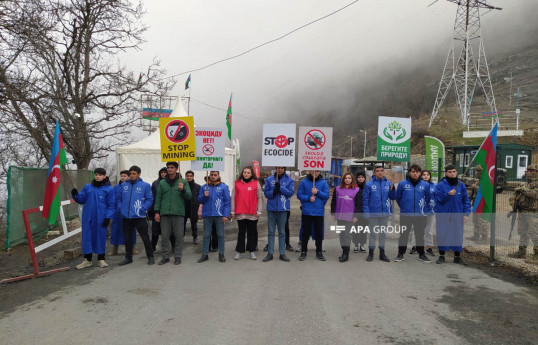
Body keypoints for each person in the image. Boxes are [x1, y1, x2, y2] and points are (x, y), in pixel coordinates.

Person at [72, 168, 115, 269]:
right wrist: (75, 194)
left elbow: (111, 205)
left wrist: (108, 217)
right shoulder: (88, 187)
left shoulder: (109, 189)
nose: (98, 176)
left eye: (100, 175)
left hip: (101, 217)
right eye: (96, 174)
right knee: (87, 237)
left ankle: (101, 259)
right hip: (88, 217)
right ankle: (87, 260)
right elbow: (81, 199)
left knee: (100, 236)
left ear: (104, 176)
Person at [390, 164, 432, 263]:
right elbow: (398, 197)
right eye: (413, 171)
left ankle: (421, 254)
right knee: (404, 235)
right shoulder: (402, 184)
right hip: (406, 214)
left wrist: (423, 209)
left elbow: (428, 198)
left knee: (420, 235)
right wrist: (404, 207)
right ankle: (400, 253)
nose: (415, 173)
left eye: (417, 172)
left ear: (420, 173)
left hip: (420, 215)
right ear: (409, 172)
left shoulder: (425, 185)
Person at [154, 162, 191, 265]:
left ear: (176, 169)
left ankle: (178, 256)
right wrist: (157, 212)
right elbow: (158, 198)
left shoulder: (183, 182)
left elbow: (189, 196)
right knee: (165, 236)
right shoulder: (162, 183)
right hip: (165, 213)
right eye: (168, 168)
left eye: (172, 168)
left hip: (178, 213)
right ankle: (165, 256)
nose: (169, 169)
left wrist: (182, 189)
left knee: (179, 236)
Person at [117, 166, 154, 266]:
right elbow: (119, 199)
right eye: (131, 174)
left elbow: (149, 199)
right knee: (127, 239)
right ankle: (128, 258)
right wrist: (121, 208)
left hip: (139, 217)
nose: (132, 176)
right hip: (126, 217)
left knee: (145, 238)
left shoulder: (145, 185)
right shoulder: (123, 185)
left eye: (134, 174)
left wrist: (142, 208)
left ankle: (150, 257)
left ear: (139, 174)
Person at [434, 164, 471, 265]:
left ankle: (457, 256)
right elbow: (438, 199)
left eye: (454, 171)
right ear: (446, 173)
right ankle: (442, 255)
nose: (452, 173)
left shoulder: (461, 185)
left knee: (457, 234)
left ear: (456, 172)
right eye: (450, 172)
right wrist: (447, 195)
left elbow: (466, 200)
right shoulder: (441, 185)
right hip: (443, 214)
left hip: (457, 214)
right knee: (442, 233)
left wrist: (466, 214)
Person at [197, 171, 231, 263]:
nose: (213, 177)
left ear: (218, 176)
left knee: (220, 234)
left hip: (219, 214)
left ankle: (221, 254)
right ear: (209, 176)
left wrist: (226, 215)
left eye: (215, 175)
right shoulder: (204, 187)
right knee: (206, 235)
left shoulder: (223, 187)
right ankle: (205, 254)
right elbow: (199, 200)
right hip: (207, 214)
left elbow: (227, 202)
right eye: (211, 175)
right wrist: (204, 195)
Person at [362, 164, 393, 262]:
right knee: (372, 234)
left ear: (384, 172)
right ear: (374, 172)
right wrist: (366, 213)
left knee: (382, 234)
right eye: (378, 171)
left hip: (384, 214)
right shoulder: (369, 184)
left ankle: (382, 253)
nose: (380, 172)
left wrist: (393, 190)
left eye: (381, 170)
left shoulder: (389, 183)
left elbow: (393, 197)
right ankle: (371, 253)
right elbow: (365, 199)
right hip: (373, 214)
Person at [231, 166, 263, 260]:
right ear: (242, 173)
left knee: (251, 233)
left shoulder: (256, 183)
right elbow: (233, 197)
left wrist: (259, 210)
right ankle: (239, 251)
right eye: (245, 172)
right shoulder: (237, 183)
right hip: (241, 213)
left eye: (248, 172)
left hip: (252, 213)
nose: (246, 174)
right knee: (241, 232)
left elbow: (259, 197)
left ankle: (252, 251)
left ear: (251, 174)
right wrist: (232, 211)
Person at [297, 170, 330, 261]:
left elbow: (327, 196)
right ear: (310, 171)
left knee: (319, 232)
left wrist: (317, 192)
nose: (316, 172)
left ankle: (319, 252)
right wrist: (308, 198)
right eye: (314, 171)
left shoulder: (323, 183)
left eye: (318, 171)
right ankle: (304, 251)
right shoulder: (303, 182)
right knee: (305, 232)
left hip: (319, 212)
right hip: (307, 212)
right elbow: (299, 195)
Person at [263, 166, 294, 262]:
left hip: (283, 209)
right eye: (278, 168)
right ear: (275, 169)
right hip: (271, 209)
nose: (279, 169)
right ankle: (270, 253)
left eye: (281, 168)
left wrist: (281, 188)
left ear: (284, 169)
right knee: (271, 232)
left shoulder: (289, 180)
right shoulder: (269, 179)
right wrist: (274, 191)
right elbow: (266, 194)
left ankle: (282, 253)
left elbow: (290, 193)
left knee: (282, 232)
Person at [331, 172, 362, 262]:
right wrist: (333, 214)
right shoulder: (337, 189)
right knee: (341, 234)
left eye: (349, 178)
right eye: (345, 178)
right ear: (343, 179)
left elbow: (358, 204)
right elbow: (334, 202)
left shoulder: (356, 190)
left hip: (350, 217)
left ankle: (346, 253)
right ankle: (343, 250)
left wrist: (356, 216)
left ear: (352, 180)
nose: (347, 179)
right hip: (340, 216)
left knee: (347, 235)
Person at [510, 164, 538, 258]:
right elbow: (514, 194)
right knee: (522, 232)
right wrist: (513, 201)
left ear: (536, 172)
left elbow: (534, 194)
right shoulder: (524, 183)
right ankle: (522, 252)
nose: (528, 172)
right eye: (528, 170)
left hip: (532, 212)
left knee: (534, 232)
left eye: (531, 170)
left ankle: (537, 253)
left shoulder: (536, 184)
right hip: (522, 211)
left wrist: (523, 190)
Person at [109, 170, 138, 256]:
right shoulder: (116, 188)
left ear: (129, 177)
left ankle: (132, 247)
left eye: (125, 176)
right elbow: (113, 200)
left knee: (130, 230)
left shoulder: (132, 187)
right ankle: (115, 249)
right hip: (117, 213)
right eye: (121, 176)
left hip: (129, 212)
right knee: (116, 230)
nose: (122, 177)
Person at [410, 170, 436, 256]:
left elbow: (437, 197)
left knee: (429, 230)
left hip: (430, 211)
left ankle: (428, 247)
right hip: (419, 211)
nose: (425, 176)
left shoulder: (434, 186)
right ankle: (415, 246)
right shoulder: (417, 185)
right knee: (417, 229)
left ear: (430, 176)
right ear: (421, 176)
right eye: (424, 174)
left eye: (427, 175)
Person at [468, 165, 489, 242]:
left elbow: (485, 191)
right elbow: (472, 192)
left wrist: (475, 187)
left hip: (483, 205)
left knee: (483, 221)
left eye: (479, 171)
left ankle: (484, 238)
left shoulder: (487, 181)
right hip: (476, 204)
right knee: (476, 220)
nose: (478, 173)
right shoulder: (478, 181)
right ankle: (476, 235)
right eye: (477, 171)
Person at [149, 167, 167, 252]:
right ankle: (153, 246)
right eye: (162, 172)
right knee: (155, 230)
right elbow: (152, 197)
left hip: (167, 210)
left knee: (167, 230)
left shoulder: (170, 183)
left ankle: (170, 246)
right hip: (156, 209)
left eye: (165, 172)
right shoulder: (155, 183)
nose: (163, 174)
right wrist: (151, 209)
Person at [352, 171, 368, 253]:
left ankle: (362, 245)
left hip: (365, 211)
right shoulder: (354, 187)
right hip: (355, 211)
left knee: (364, 229)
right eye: (359, 177)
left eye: (362, 177)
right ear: (356, 178)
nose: (360, 179)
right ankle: (355, 245)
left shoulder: (367, 186)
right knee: (355, 229)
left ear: (364, 178)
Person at [184, 170, 201, 245]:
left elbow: (200, 198)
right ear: (185, 176)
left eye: (190, 176)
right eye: (187, 176)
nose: (189, 177)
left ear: (193, 177)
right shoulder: (182, 185)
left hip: (193, 208)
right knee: (182, 224)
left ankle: (195, 237)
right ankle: (181, 237)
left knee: (194, 223)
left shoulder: (197, 186)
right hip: (184, 207)